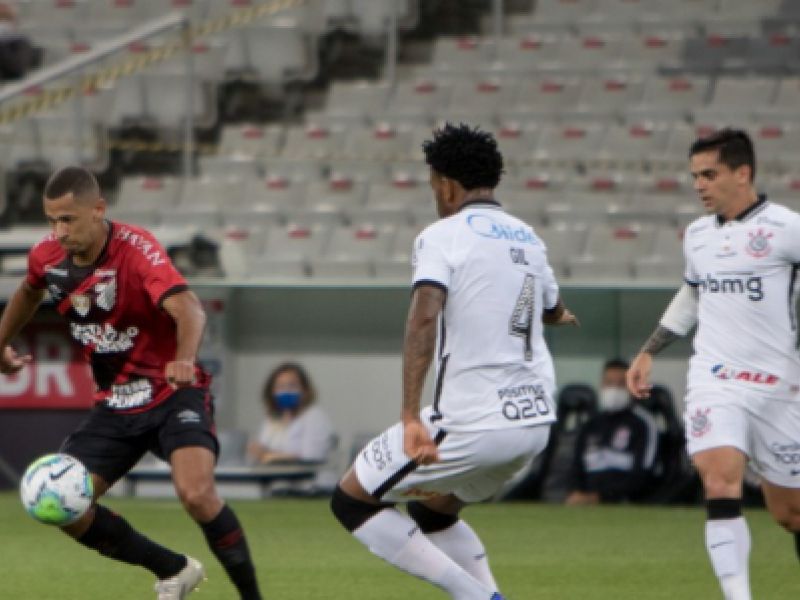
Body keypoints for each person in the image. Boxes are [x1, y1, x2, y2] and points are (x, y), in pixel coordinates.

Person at [329, 123, 578, 600]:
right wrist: (560, 316)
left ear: (445, 184)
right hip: (533, 425)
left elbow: (424, 317)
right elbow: (551, 307)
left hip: (472, 421)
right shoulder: (528, 237)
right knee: (433, 512)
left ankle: (479, 598)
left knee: (352, 501)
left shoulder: (443, 236)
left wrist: (410, 416)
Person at [0, 167, 262, 600]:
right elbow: (29, 291)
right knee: (63, 506)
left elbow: (189, 308)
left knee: (197, 495)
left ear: (98, 209)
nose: (58, 231)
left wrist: (183, 359)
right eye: (52, 220)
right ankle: (173, 570)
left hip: (172, 393)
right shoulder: (47, 256)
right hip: (115, 405)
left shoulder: (137, 250)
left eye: (67, 219)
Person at [626, 129, 800, 600]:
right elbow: (692, 294)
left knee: (790, 515)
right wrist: (649, 350)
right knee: (719, 479)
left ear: (743, 173)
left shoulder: (787, 228)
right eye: (695, 176)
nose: (699, 185)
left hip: (780, 387)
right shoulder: (698, 235)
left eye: (709, 174)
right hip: (715, 378)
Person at [566, 358, 659, 505]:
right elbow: (576, 467)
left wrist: (601, 497)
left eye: (621, 384)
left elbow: (643, 473)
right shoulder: (590, 424)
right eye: (609, 383)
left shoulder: (643, 424)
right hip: (586, 502)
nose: (614, 389)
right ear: (601, 385)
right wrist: (577, 492)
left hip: (626, 503)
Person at [247, 361, 338, 491]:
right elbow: (260, 454)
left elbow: (311, 459)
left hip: (314, 487)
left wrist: (269, 456)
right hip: (280, 486)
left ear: (305, 390)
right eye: (280, 387)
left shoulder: (315, 417)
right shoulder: (272, 420)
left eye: (292, 385)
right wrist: (261, 454)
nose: (286, 391)